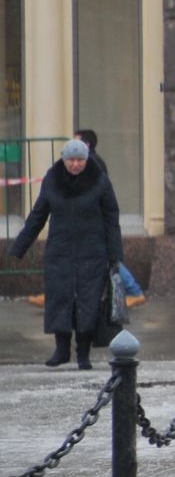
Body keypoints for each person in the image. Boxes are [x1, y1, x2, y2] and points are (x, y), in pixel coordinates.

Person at [11, 139, 122, 369]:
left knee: (88, 302)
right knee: (59, 299)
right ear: (63, 160)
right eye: (70, 160)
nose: (75, 164)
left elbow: (112, 218)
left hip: (92, 251)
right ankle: (61, 350)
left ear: (86, 159)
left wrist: (114, 254)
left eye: (79, 160)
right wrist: (19, 247)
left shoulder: (99, 181)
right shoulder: (52, 180)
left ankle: (83, 354)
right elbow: (38, 215)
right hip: (59, 252)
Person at [72, 128, 145, 306]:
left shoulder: (92, 163)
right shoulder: (89, 162)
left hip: (94, 221)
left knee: (106, 258)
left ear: (86, 145)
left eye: (76, 142)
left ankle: (134, 291)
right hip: (91, 220)